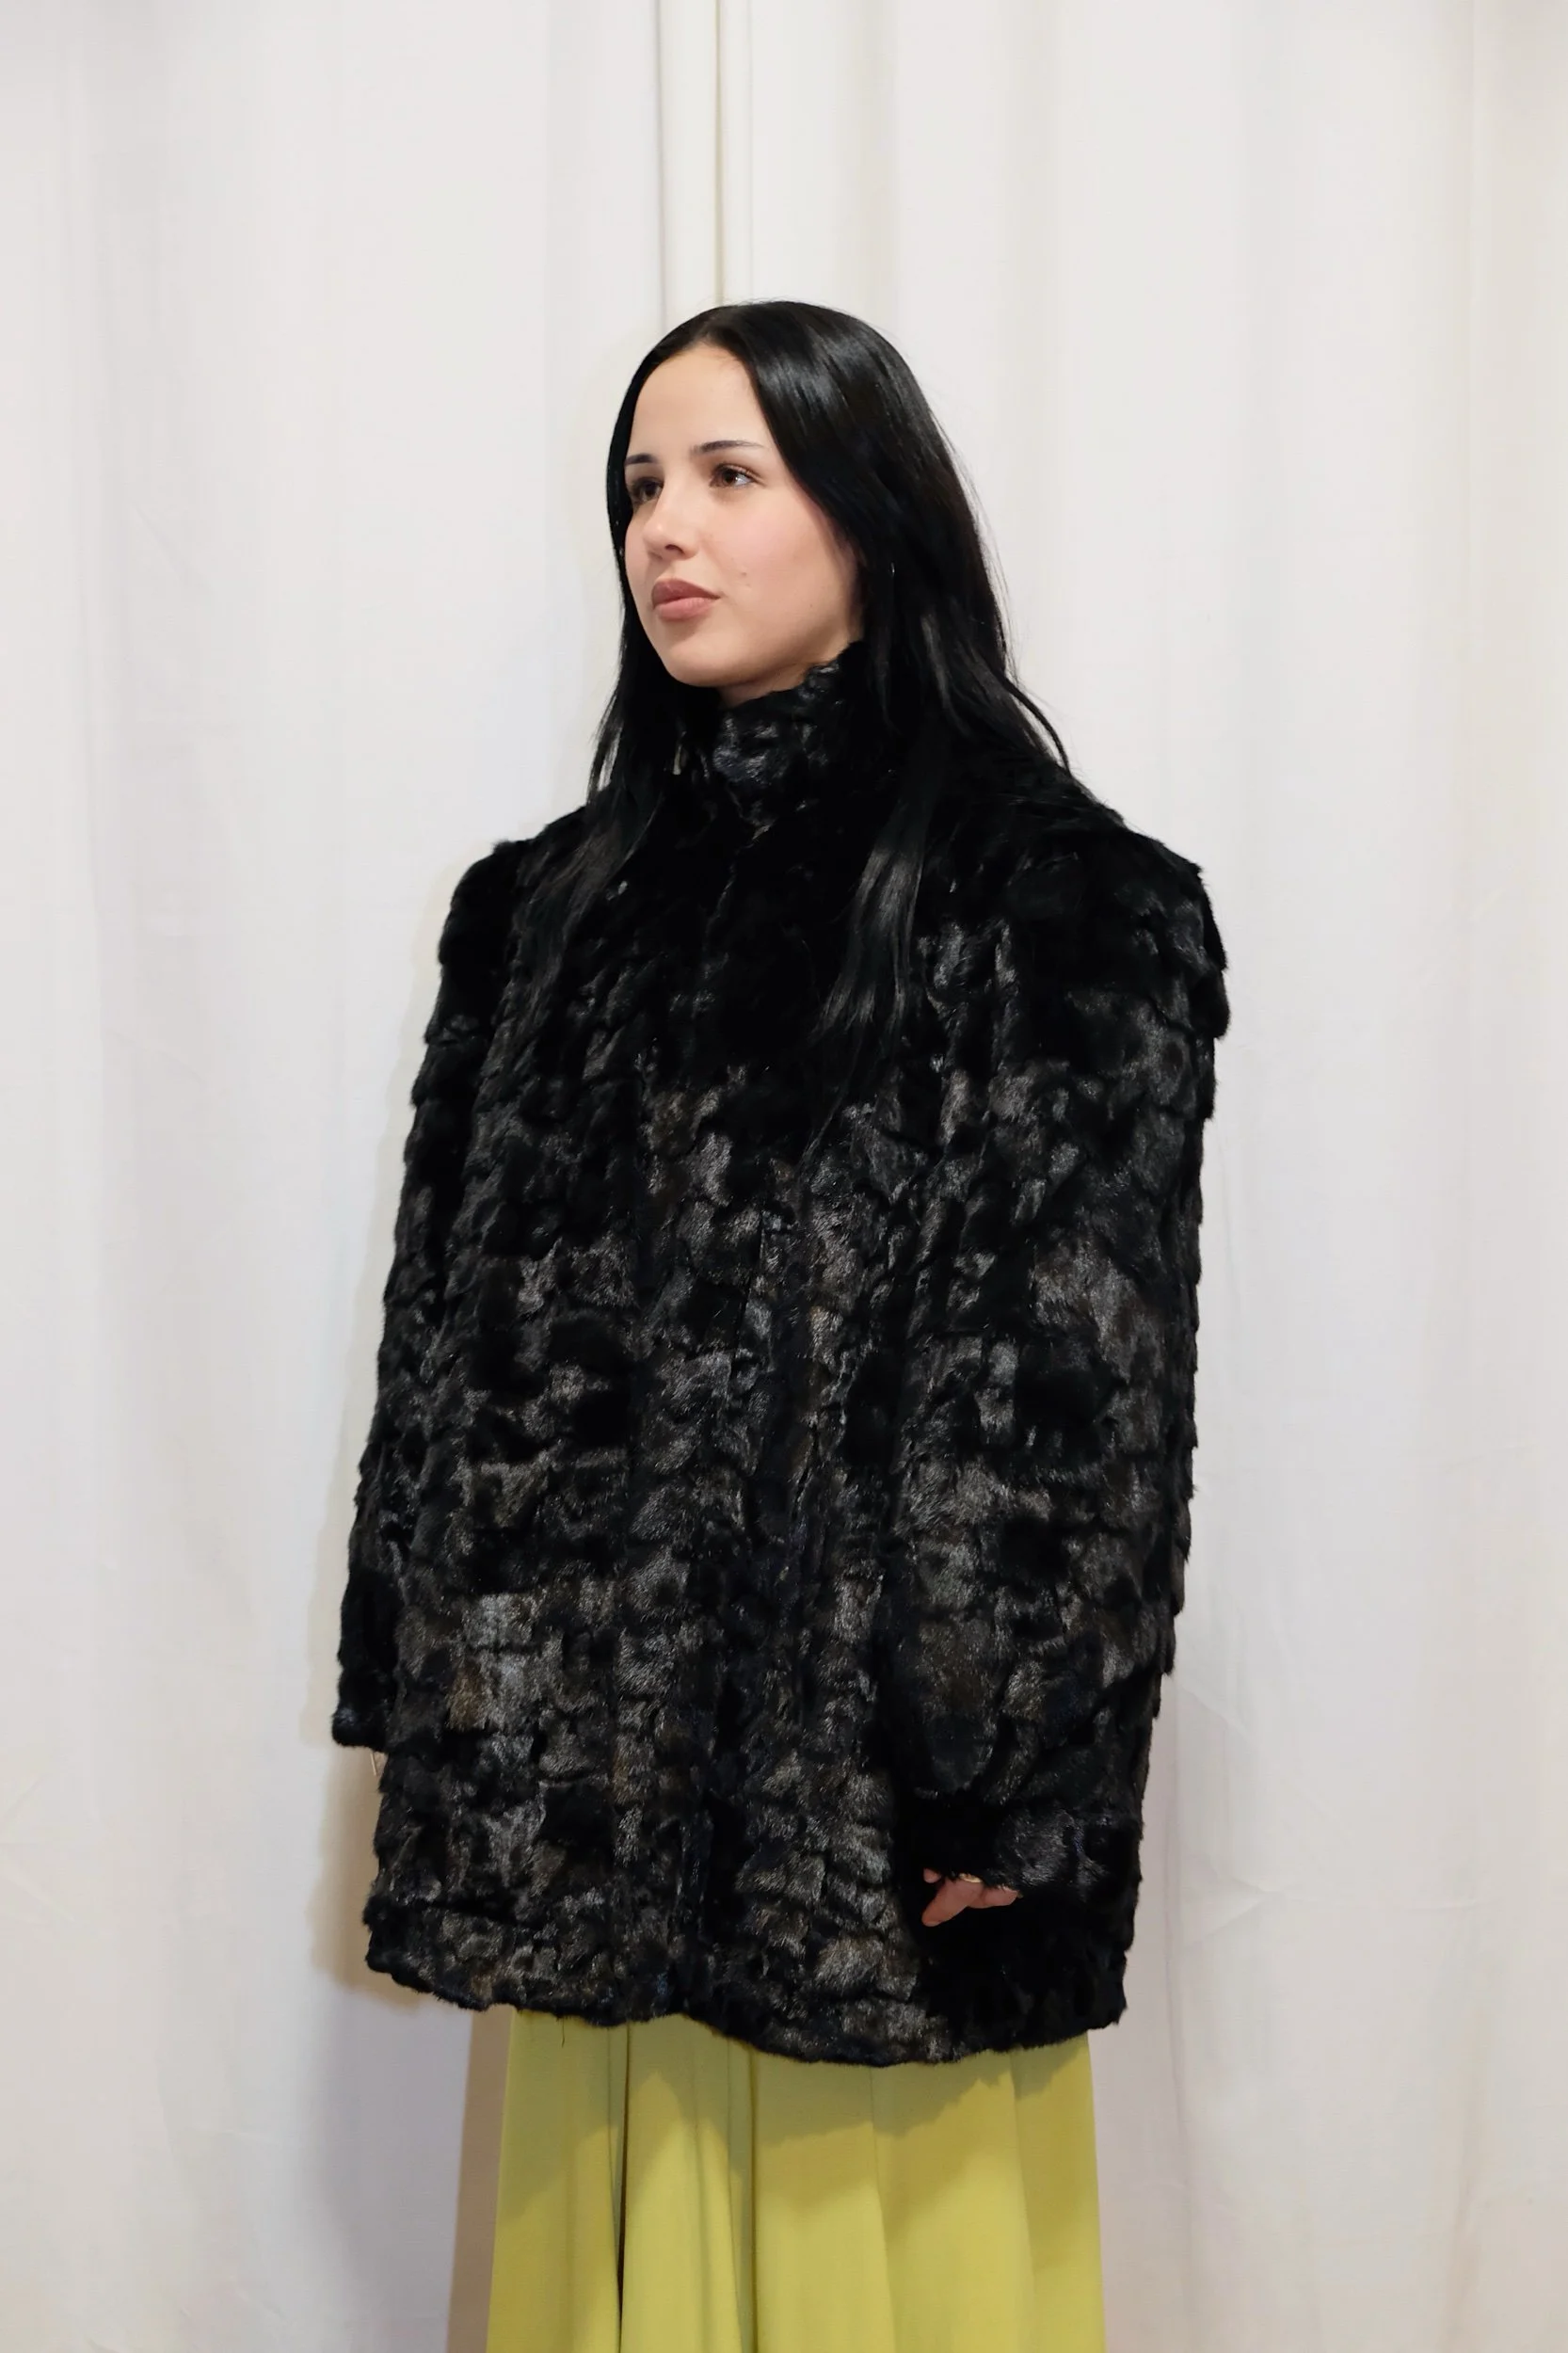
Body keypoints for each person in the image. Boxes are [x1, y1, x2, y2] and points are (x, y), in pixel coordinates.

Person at [332, 299, 1229, 2353]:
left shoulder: (1056, 899)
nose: (666, 527)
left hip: (880, 1839)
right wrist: (431, 1684)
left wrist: (1017, 1783)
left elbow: (1075, 1388)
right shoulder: (536, 915)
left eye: (731, 474)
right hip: (582, 1817)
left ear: (871, 513)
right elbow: (439, 1355)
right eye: (640, 483)